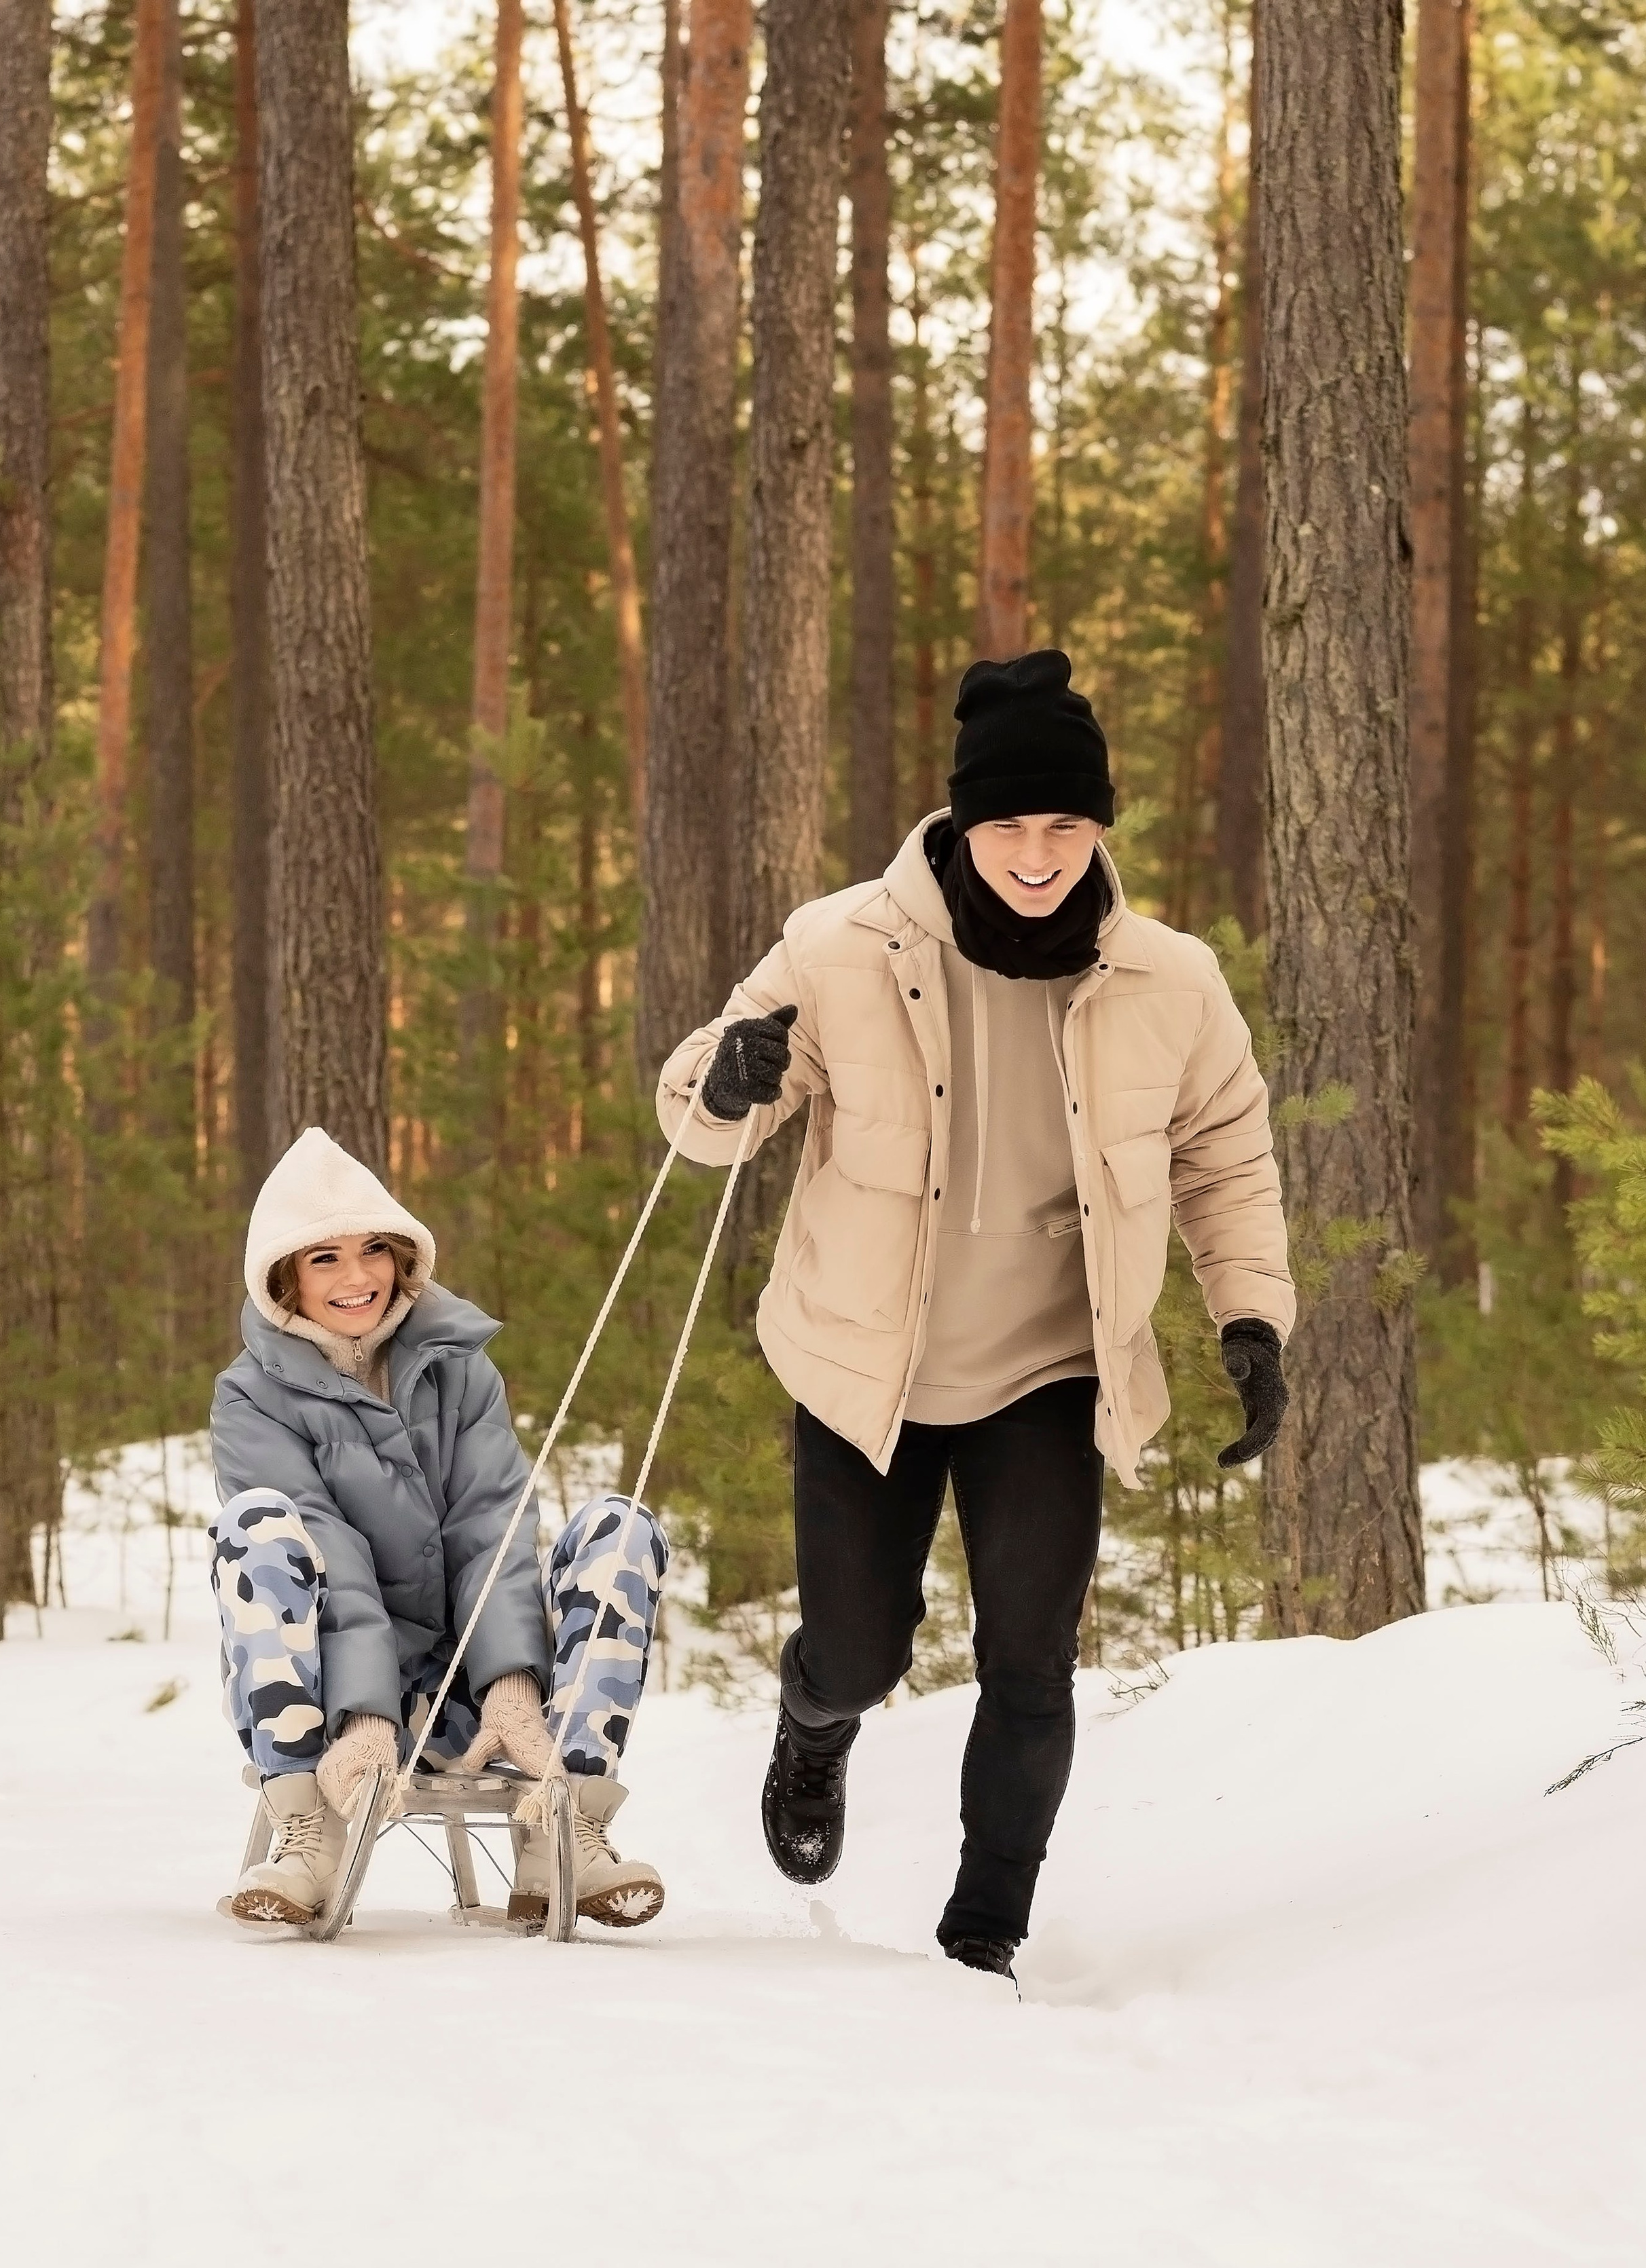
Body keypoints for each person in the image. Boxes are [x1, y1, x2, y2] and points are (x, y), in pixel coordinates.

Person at [659, 649, 1294, 1976]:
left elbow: (1223, 1160)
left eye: (1066, 826)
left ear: (1097, 830)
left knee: (1029, 1665)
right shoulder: (839, 947)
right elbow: (701, 1128)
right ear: (962, 823)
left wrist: (1249, 1321)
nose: (1037, 853)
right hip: (861, 1358)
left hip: (1052, 1369)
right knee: (861, 1646)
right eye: (1011, 824)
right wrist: (728, 1080)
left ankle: (983, 1935)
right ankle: (811, 1719)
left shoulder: (1168, 982)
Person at [209, 1127, 667, 1931]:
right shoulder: (252, 1397)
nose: (358, 1278)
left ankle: (567, 1823)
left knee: (618, 1529)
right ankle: (308, 1830)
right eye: (324, 1259)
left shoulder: (458, 1366)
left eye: (373, 1250)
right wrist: (367, 1713)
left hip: (464, 1694)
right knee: (260, 1529)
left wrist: (512, 1687)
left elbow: (491, 1522)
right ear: (284, 1278)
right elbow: (330, 1545)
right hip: (328, 1702)